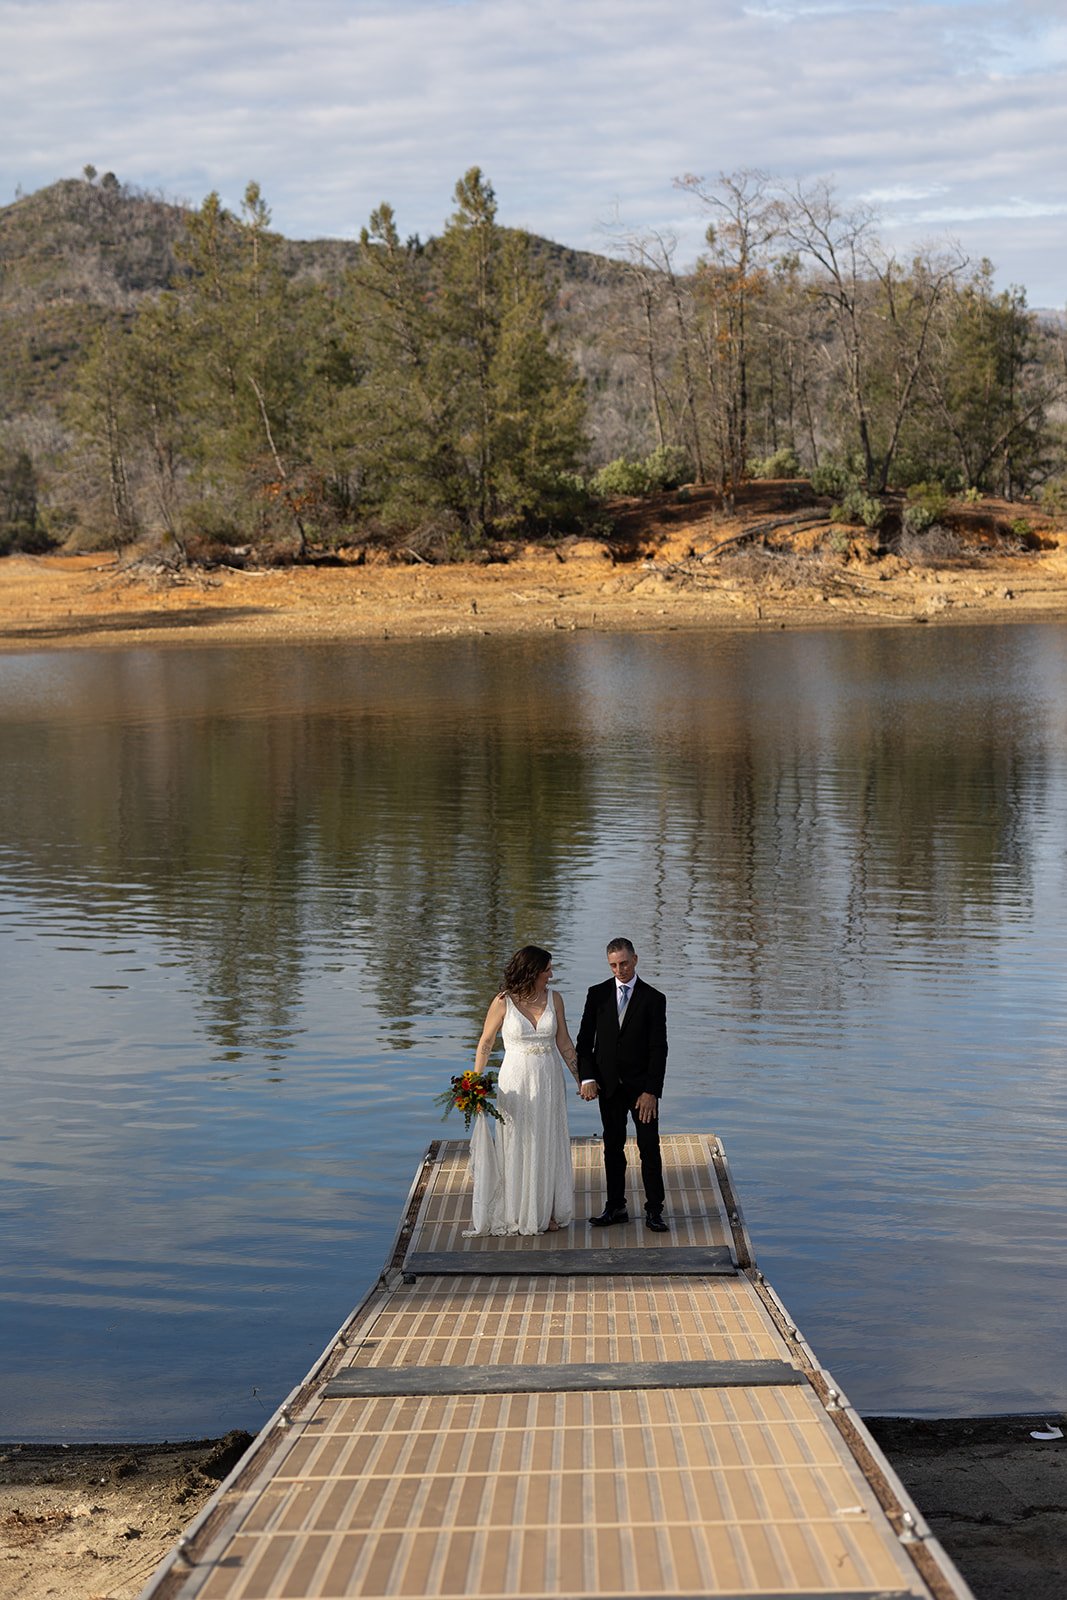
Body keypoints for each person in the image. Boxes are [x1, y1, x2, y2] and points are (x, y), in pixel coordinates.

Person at [467, 945, 580, 1236]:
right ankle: (519, 1211)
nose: (551, 974)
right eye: (547, 970)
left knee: (547, 1139)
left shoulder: (555, 999)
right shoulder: (503, 1002)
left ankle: (547, 1211)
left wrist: (582, 1078)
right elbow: (486, 1042)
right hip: (515, 1080)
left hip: (549, 1080)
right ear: (532, 971)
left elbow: (565, 1043)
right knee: (519, 1140)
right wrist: (474, 1083)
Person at [577, 937, 668, 1231]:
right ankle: (616, 1207)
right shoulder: (597, 994)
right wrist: (587, 1078)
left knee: (649, 1148)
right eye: (614, 965)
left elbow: (659, 1048)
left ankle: (654, 1210)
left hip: (642, 1089)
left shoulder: (653, 999)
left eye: (624, 963)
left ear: (635, 959)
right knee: (612, 1148)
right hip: (608, 1087)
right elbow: (583, 1044)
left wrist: (652, 1091)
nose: (620, 970)